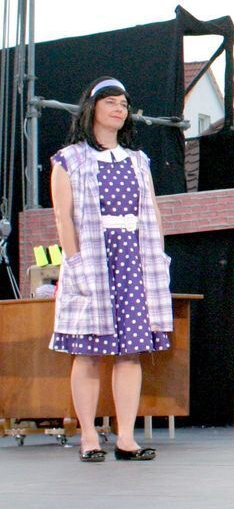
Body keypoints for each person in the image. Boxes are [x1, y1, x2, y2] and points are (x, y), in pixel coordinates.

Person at [50, 77, 173, 463]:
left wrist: (159, 257)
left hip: (133, 258)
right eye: (111, 103)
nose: (120, 109)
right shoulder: (68, 159)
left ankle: (125, 437)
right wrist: (76, 262)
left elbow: (151, 209)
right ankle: (88, 436)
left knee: (131, 352)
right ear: (93, 109)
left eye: (124, 103)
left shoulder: (138, 161)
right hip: (92, 259)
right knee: (87, 352)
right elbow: (62, 217)